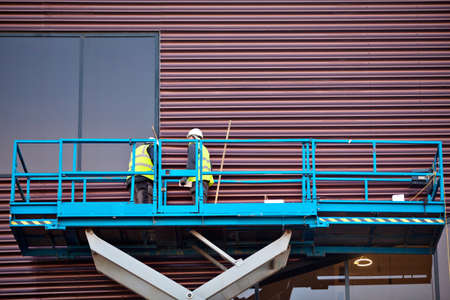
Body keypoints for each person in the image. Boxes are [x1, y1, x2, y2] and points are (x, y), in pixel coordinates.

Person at [180, 128, 214, 201]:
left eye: (189, 138)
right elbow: (210, 166)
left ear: (193, 137)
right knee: (202, 201)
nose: (188, 141)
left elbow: (191, 161)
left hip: (197, 179)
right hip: (205, 179)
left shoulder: (193, 145)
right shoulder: (204, 148)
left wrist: (185, 177)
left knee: (198, 203)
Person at [126, 139, 155, 204]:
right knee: (145, 206)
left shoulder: (136, 150)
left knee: (137, 207)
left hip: (131, 180)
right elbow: (155, 161)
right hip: (143, 179)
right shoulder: (151, 147)